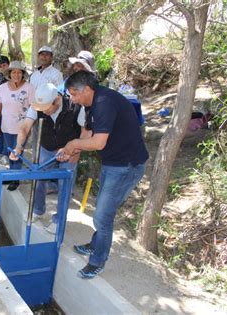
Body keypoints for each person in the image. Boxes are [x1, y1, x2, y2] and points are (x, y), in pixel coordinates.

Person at [58, 71, 149, 279]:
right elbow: (89, 134)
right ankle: (96, 243)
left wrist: (73, 144)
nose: (71, 99)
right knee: (102, 210)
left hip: (127, 166)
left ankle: (97, 260)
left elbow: (98, 142)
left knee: (102, 216)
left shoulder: (104, 103)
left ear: (86, 90)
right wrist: (70, 150)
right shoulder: (92, 103)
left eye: (73, 94)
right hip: (112, 162)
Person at [10, 83, 85, 234]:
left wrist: (76, 152)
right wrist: (18, 147)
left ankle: (58, 220)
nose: (44, 111)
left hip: (70, 150)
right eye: (41, 108)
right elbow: (25, 127)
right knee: (39, 180)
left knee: (65, 186)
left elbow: (85, 131)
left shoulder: (76, 106)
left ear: (57, 99)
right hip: (47, 148)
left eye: (47, 108)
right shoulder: (38, 105)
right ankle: (38, 210)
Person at [0, 61, 34, 191]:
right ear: (9, 74)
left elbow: (33, 108)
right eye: (13, 72)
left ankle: (15, 179)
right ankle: (12, 175)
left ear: (22, 74)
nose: (16, 75)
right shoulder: (2, 88)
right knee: (10, 150)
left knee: (18, 151)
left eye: (19, 72)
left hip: (22, 128)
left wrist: (29, 126)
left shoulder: (29, 87)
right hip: (6, 126)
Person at [29, 45, 64, 194]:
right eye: (41, 54)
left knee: (50, 146)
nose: (44, 57)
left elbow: (59, 95)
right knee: (36, 141)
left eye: (47, 55)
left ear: (51, 57)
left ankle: (51, 182)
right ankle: (38, 172)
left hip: (50, 114)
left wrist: (53, 109)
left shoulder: (56, 74)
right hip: (35, 111)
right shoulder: (34, 74)